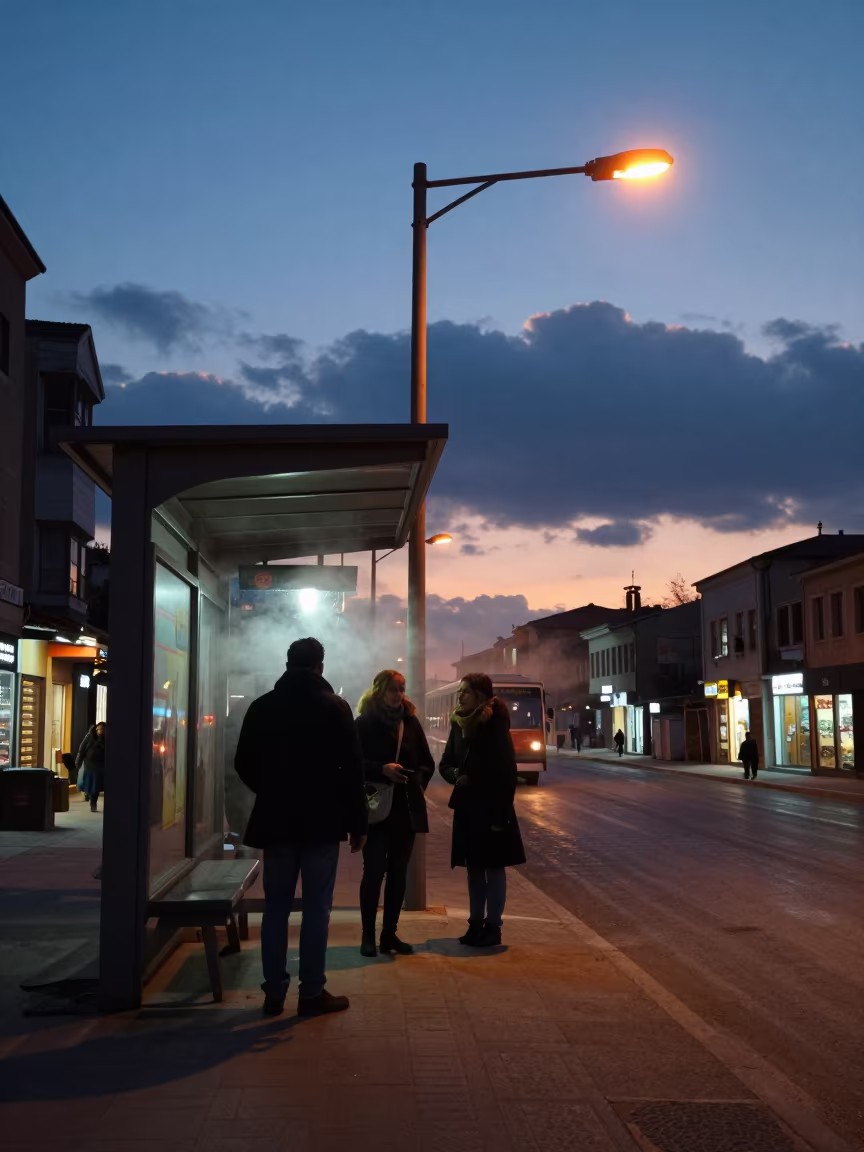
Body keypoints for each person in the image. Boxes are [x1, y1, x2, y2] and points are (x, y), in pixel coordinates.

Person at [235, 637, 368, 1018]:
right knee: (316, 908)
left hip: (276, 822)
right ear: (319, 667)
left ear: (288, 663)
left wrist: (272, 789)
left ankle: (273, 993)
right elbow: (353, 769)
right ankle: (311, 992)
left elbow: (243, 761)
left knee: (276, 908)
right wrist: (357, 823)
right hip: (321, 824)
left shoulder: (262, 707)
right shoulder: (335, 707)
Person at [439, 673, 526, 948]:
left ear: (480, 696)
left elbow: (506, 771)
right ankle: (475, 923)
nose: (460, 696)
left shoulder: (494, 724)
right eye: (460, 691)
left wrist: (501, 816)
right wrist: (456, 775)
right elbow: (446, 763)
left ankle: (493, 926)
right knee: (473, 868)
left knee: (494, 868)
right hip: (467, 808)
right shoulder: (457, 723)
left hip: (491, 809)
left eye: (465, 691)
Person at [355, 670, 435, 957]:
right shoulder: (363, 723)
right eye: (392, 689)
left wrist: (415, 782)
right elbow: (352, 765)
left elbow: (427, 762)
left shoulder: (410, 721)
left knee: (399, 873)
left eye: (401, 689)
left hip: (405, 809)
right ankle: (367, 936)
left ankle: (389, 934)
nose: (397, 694)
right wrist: (382, 770)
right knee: (374, 871)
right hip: (375, 809)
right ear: (379, 691)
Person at [76, 722, 106, 812]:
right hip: (91, 765)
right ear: (96, 729)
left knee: (97, 785)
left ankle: (94, 801)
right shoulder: (90, 737)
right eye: (100, 729)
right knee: (93, 785)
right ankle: (93, 802)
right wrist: (78, 763)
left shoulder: (107, 738)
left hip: (102, 765)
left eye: (103, 729)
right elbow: (81, 750)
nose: (102, 731)